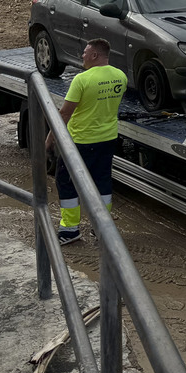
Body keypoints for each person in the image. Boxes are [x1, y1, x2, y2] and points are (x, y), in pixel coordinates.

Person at [44, 38, 127, 245]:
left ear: (94, 55)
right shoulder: (120, 76)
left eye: (85, 52)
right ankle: (102, 230)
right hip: (107, 138)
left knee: (66, 182)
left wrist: (50, 137)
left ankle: (70, 231)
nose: (82, 56)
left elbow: (64, 113)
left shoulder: (82, 80)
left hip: (80, 140)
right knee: (102, 182)